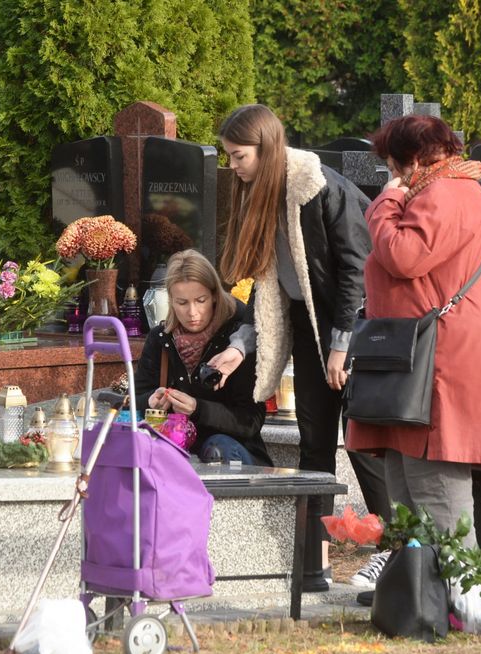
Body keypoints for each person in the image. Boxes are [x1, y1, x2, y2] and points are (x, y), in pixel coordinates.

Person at [204, 103, 390, 589]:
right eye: (229, 157)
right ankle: (315, 564)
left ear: (265, 149)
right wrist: (242, 346)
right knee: (314, 447)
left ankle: (399, 550)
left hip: (356, 332)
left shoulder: (319, 187)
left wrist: (340, 346)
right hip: (312, 333)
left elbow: (357, 268)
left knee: (364, 444)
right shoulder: (260, 194)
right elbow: (271, 291)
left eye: (238, 156)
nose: (233, 167)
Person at [346, 114, 481, 550]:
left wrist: (385, 202)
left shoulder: (449, 193)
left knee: (438, 496)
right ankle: (420, 596)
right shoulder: (442, 191)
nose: (394, 177)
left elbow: (404, 256)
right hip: (422, 359)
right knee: (407, 489)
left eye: (394, 166)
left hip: (442, 364)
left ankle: (468, 599)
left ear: (415, 158)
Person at [133, 249, 271, 466]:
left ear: (214, 295)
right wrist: (150, 401)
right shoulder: (160, 338)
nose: (192, 312)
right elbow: (133, 402)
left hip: (235, 454)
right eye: (182, 302)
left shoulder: (238, 342)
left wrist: (198, 409)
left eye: (200, 300)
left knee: (218, 447)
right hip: (177, 452)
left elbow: (250, 421)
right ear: (170, 300)